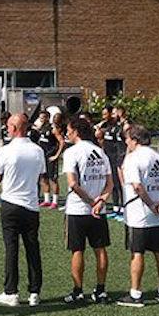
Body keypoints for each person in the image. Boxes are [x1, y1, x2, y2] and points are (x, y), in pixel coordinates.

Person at [117, 124, 159, 307]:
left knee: (137, 252)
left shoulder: (133, 158)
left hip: (139, 215)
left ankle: (136, 294)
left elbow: (137, 186)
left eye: (127, 138)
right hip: (158, 215)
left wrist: (150, 204)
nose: (126, 142)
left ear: (135, 140)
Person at [0, 114, 45, 307]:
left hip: (10, 203)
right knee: (33, 248)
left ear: (14, 128)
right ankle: (34, 292)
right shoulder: (37, 150)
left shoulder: (5, 150)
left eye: (8, 126)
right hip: (31, 204)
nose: (7, 129)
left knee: (11, 248)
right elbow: (41, 174)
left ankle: (11, 291)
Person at [61, 117, 113, 304]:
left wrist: (91, 202)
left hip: (78, 209)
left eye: (68, 130)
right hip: (99, 210)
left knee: (77, 250)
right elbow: (110, 183)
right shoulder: (100, 152)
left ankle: (78, 291)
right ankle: (100, 290)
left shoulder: (71, 152)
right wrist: (101, 201)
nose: (67, 133)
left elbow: (73, 184)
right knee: (100, 249)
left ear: (76, 132)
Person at [31, 111, 64, 209]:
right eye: (40, 117)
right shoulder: (41, 128)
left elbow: (62, 142)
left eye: (43, 117)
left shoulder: (53, 128)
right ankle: (47, 200)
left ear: (48, 118)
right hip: (42, 157)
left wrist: (56, 155)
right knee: (43, 178)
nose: (41, 119)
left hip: (50, 157)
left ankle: (55, 201)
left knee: (52, 179)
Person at [95, 105, 124, 212]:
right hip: (108, 158)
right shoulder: (107, 126)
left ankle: (123, 207)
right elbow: (101, 138)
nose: (104, 116)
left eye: (106, 114)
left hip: (117, 158)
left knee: (119, 183)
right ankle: (116, 207)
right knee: (112, 183)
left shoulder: (120, 127)